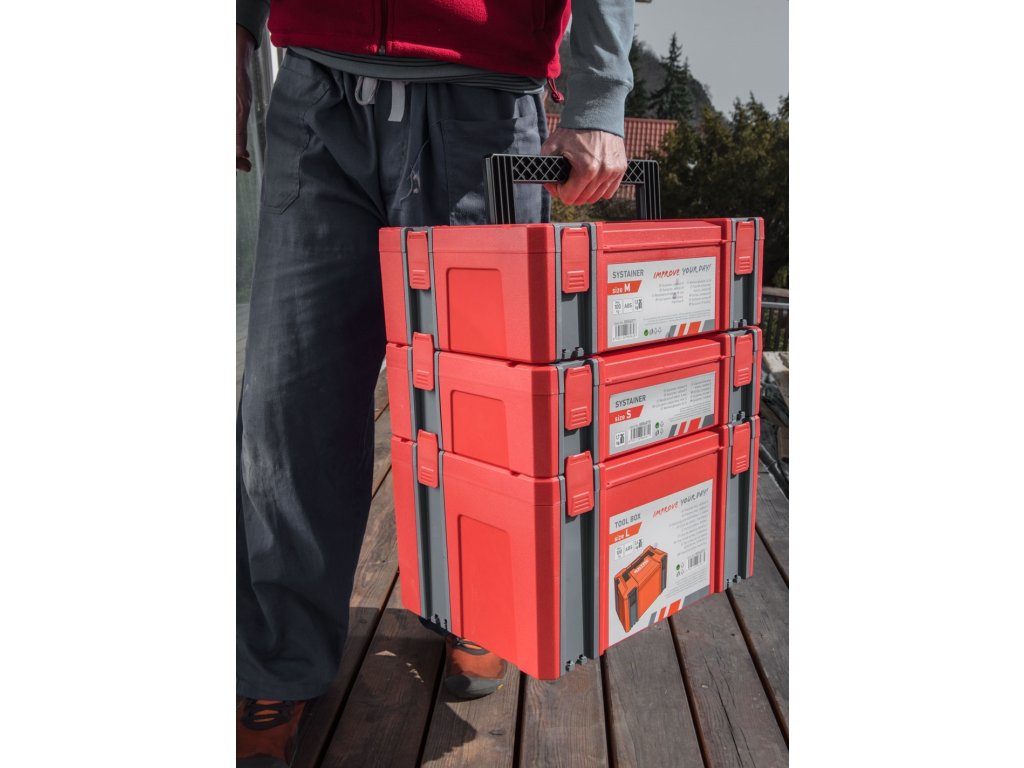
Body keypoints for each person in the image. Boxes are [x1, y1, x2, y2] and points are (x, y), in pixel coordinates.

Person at [236, 0, 634, 764]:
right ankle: (279, 656)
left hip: (483, 104)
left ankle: (474, 606)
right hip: (317, 91)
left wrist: (599, 92)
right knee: (288, 409)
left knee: (482, 407)